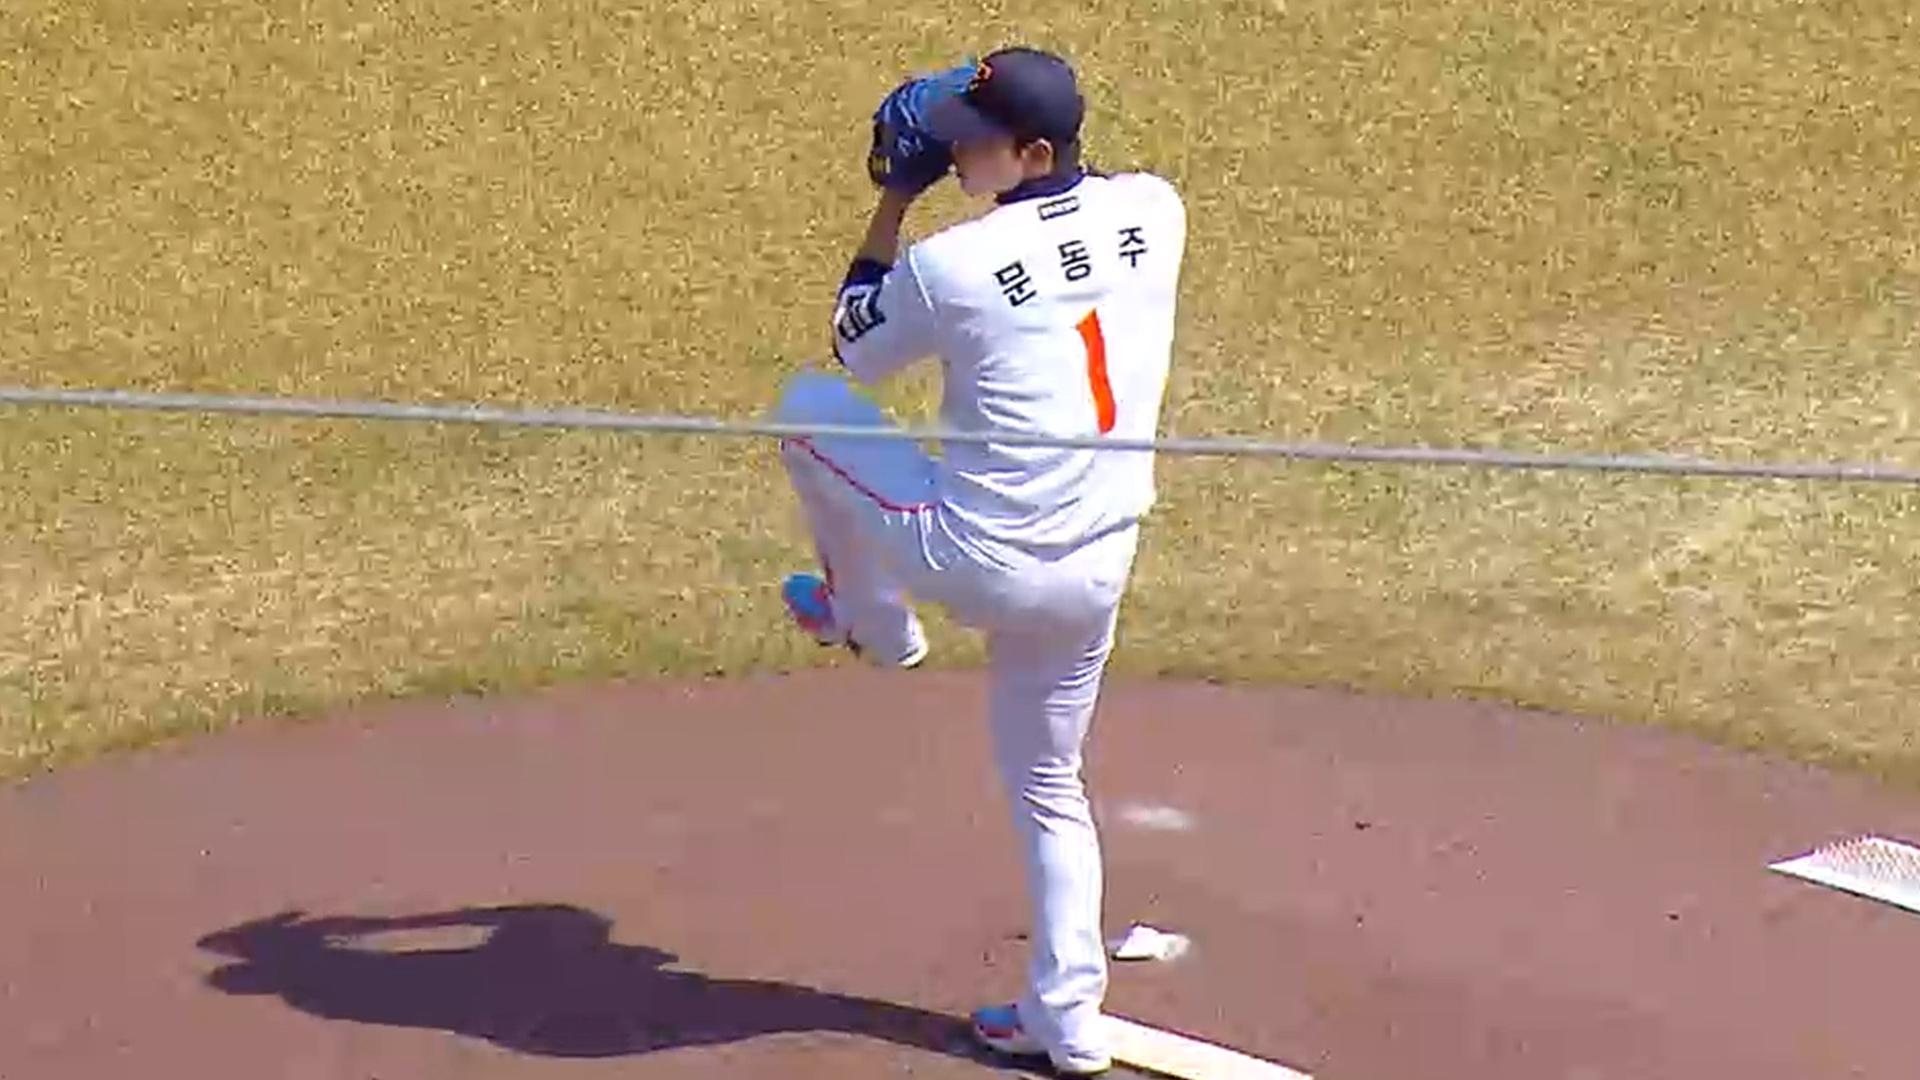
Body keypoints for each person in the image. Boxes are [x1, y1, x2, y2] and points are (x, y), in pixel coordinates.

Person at [770, 45, 1187, 1076]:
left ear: (1033, 151)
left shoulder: (952, 265)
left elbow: (853, 344)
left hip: (972, 556)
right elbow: (1085, 219)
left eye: (973, 142)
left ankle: (873, 625)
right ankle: (1067, 1020)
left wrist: (894, 203)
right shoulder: (1156, 209)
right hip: (1097, 570)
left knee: (808, 413)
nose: (954, 153)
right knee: (1050, 784)